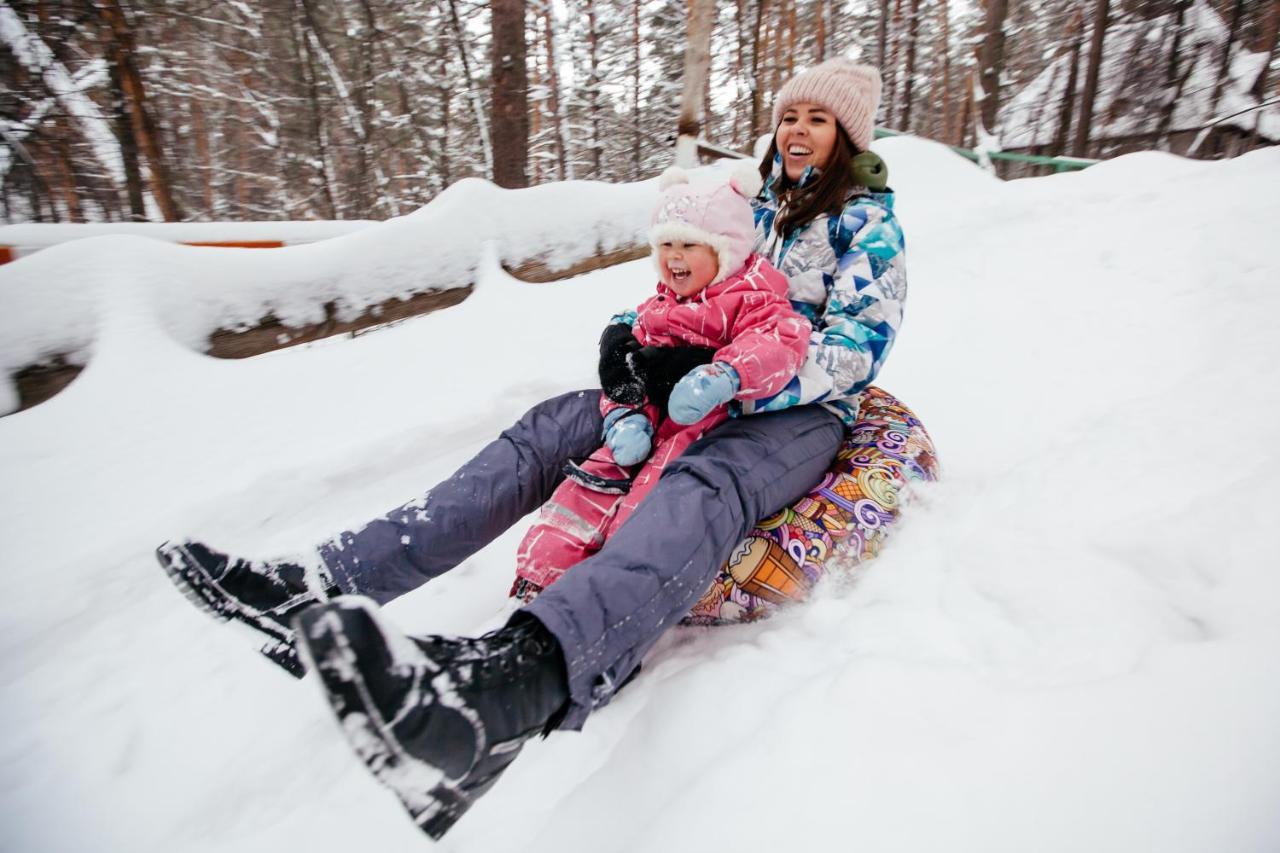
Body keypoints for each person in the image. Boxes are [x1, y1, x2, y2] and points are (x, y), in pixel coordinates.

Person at [155, 57, 906, 839]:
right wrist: (626, 353)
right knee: (552, 425)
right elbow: (684, 288)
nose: (796, 132)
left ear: (847, 138)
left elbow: (858, 346)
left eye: (818, 120)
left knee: (702, 483)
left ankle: (515, 682)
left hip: (797, 412)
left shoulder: (867, 222)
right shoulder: (751, 204)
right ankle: (319, 583)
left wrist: (729, 382)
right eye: (790, 116)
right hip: (691, 386)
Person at [513, 163, 811, 597]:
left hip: (702, 427)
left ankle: (609, 595)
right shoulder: (659, 303)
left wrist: (725, 374)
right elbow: (629, 366)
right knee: (594, 480)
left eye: (690, 244)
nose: (674, 256)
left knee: (652, 500)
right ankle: (540, 579)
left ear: (725, 249)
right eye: (666, 243)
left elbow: (782, 340)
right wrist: (624, 414)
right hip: (649, 418)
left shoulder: (753, 293)